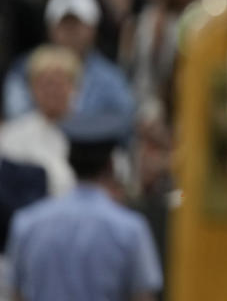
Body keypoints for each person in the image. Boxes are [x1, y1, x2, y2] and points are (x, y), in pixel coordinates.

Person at [5, 113, 163, 301]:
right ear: (110, 165)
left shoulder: (27, 224)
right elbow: (143, 296)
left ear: (69, 160)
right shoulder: (131, 229)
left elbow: (15, 295)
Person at [3, 0, 134, 123]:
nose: (70, 33)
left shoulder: (110, 77)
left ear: (93, 29)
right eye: (64, 25)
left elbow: (125, 119)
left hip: (92, 143)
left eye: (77, 25)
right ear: (50, 29)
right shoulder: (24, 69)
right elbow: (15, 114)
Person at [0, 45, 81, 197]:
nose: (52, 91)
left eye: (60, 83)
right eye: (46, 83)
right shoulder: (12, 135)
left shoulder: (92, 133)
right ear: (32, 88)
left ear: (75, 87)